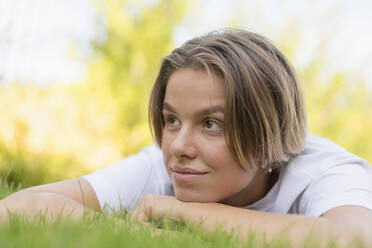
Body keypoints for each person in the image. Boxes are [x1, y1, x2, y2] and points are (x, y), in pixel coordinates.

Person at [1, 28, 372, 247]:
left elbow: (355, 239)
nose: (178, 146)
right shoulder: (162, 167)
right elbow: (19, 208)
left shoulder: (328, 169)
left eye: (211, 123)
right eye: (172, 120)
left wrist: (179, 212)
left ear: (268, 128)